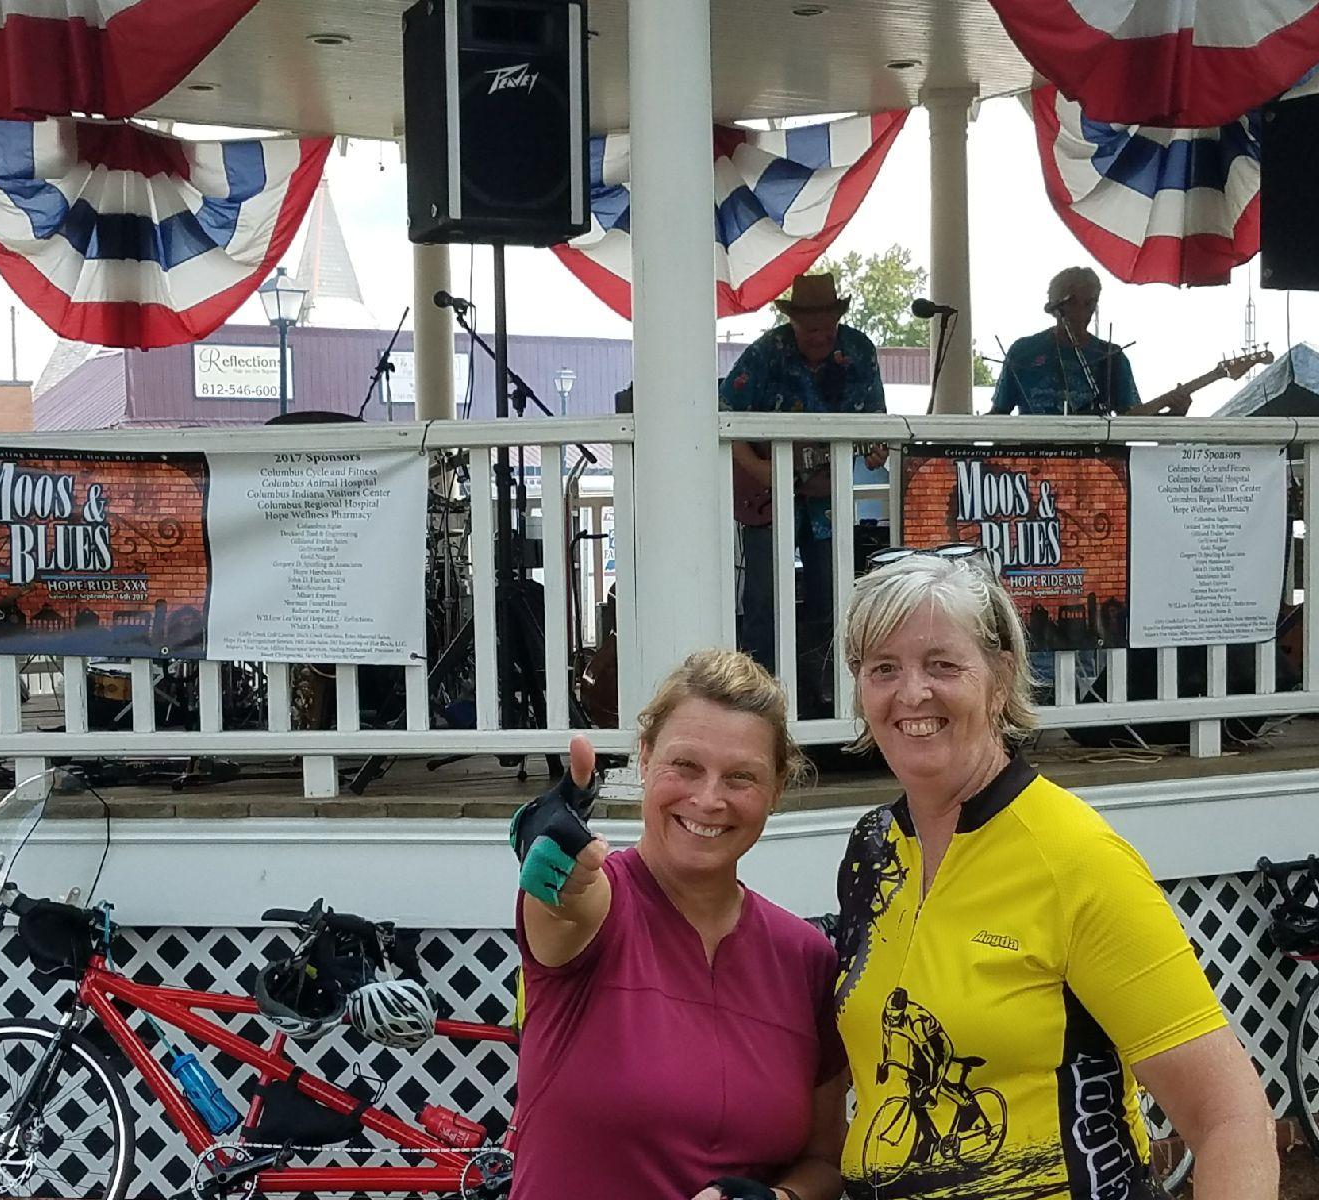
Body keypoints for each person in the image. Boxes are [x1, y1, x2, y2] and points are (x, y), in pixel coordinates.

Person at [832, 546, 1277, 1199]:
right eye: (883, 668)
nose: (912, 693)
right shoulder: (873, 848)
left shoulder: (1077, 858)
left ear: (1001, 676)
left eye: (942, 664)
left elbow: (1231, 1118)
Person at [508, 649, 848, 1200]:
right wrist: (547, 845)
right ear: (644, 758)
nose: (708, 799)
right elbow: (563, 901)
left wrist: (780, 1198)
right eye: (685, 766)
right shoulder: (600, 907)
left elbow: (825, 1161)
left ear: (777, 789)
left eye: (740, 777)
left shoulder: (807, 959)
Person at [720, 273, 888, 716]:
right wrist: (762, 469)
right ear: (793, 323)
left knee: (834, 597)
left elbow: (876, 423)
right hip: (766, 496)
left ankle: (827, 702)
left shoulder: (859, 352)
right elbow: (722, 412)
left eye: (827, 328)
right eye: (810, 328)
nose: (819, 337)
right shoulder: (766, 352)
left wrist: (875, 451)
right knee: (762, 600)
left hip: (828, 496)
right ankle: (756, 704)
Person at [991, 266, 1189, 417]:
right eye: (1072, 303)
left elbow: (1132, 422)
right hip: (1033, 457)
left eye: (1089, 303)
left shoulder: (1111, 357)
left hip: (1096, 458)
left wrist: (1174, 414)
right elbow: (999, 414)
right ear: (1055, 308)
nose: (1081, 311)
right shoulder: (1023, 351)